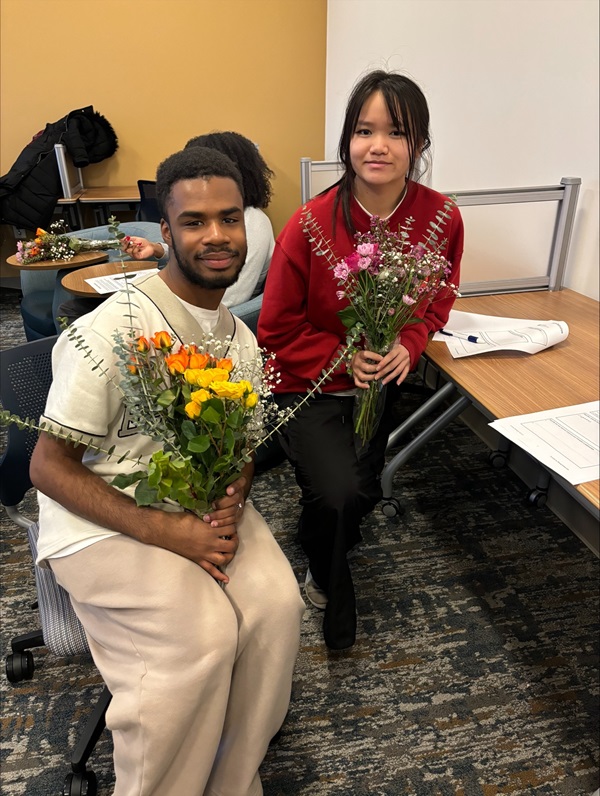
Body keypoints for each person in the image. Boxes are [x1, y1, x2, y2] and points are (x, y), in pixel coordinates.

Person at [30, 147, 305, 796]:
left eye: (229, 218)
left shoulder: (240, 340)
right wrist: (167, 533)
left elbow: (240, 445)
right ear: (166, 231)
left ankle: (232, 781)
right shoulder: (115, 329)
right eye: (194, 221)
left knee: (277, 609)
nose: (216, 236)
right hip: (101, 516)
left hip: (197, 510)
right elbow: (48, 466)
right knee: (200, 640)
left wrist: (236, 490)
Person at [257, 70, 464, 651]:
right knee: (340, 493)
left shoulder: (441, 218)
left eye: (396, 133)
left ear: (419, 144)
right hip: (309, 382)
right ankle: (328, 582)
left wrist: (410, 342)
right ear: (347, 140)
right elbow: (275, 329)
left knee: (363, 492)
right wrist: (345, 358)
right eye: (364, 131)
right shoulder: (310, 224)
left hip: (380, 387)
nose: (378, 146)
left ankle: (322, 537)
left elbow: (438, 297)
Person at [123, 130, 276, 308]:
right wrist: (158, 249)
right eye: (195, 223)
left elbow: (229, 297)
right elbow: (202, 255)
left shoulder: (255, 223)